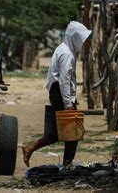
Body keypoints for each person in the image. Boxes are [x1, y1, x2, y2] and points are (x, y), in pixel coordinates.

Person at [22, 21, 92, 168]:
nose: (84, 43)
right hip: (60, 93)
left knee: (57, 133)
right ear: (75, 37)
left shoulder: (63, 49)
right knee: (72, 131)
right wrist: (68, 104)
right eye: (82, 39)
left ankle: (31, 148)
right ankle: (67, 164)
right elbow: (64, 80)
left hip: (58, 93)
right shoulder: (67, 54)